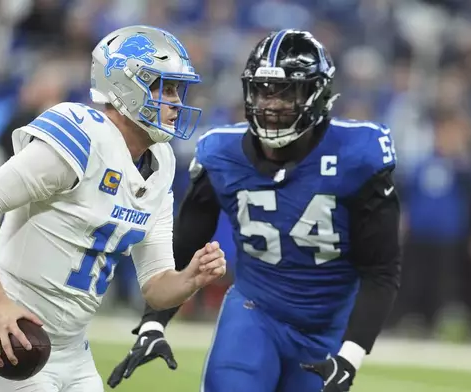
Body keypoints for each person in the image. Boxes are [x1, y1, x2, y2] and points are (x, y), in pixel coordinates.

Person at [109, 29, 402, 392]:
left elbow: (380, 271)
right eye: (263, 90)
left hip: (326, 329)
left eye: (287, 92)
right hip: (254, 314)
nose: (272, 104)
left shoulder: (359, 154)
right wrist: (155, 322)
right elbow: (184, 249)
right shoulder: (220, 153)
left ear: (317, 94)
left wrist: (351, 354)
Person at [0, 25, 226, 392]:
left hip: (75, 348)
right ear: (126, 85)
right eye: (165, 87)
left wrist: (191, 279)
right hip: (14, 335)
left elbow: (155, 287)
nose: (175, 102)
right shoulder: (81, 138)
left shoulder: (161, 163)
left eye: (177, 90)